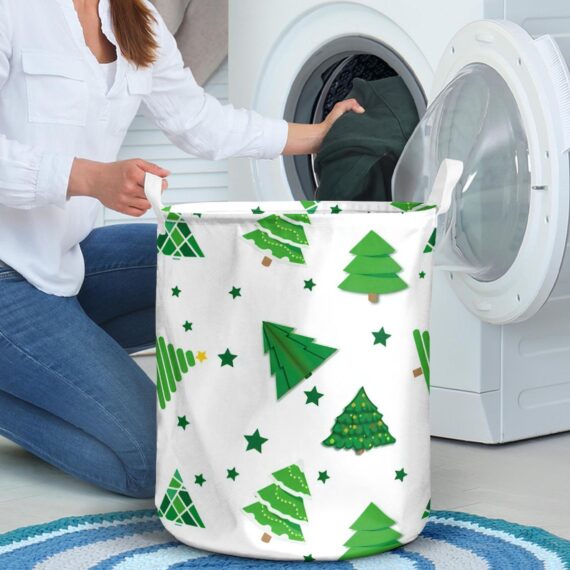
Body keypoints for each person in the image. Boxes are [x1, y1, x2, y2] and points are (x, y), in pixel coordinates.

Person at [0, 0, 364, 498]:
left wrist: (316, 137)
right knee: (162, 464)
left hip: (64, 263)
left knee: (224, 260)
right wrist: (88, 177)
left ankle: (51, 368)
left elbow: (199, 120)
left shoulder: (135, 16)